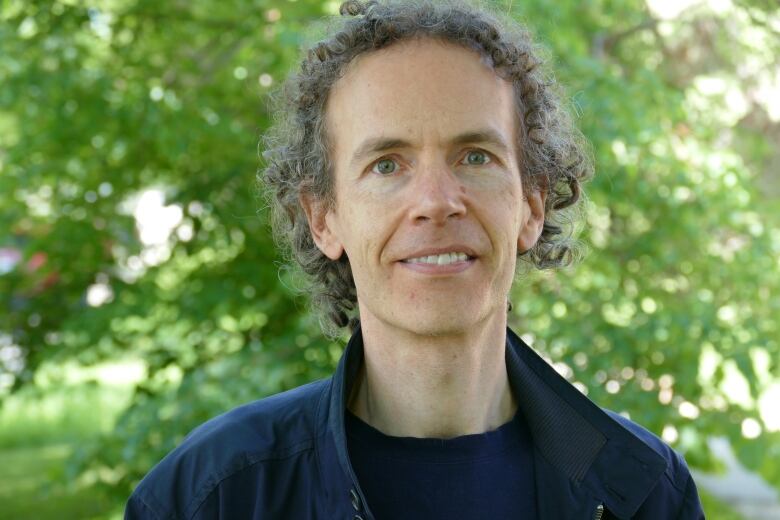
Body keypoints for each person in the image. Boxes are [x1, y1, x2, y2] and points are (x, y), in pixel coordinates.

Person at [125, 1, 705, 518]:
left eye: (475, 156)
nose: (435, 203)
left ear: (531, 204)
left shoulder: (645, 491)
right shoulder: (211, 497)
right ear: (325, 217)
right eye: (386, 164)